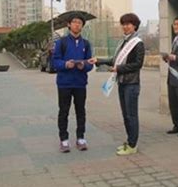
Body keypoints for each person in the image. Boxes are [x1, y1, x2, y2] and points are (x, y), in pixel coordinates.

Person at [88, 13, 145, 156]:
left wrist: (118, 69)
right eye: (123, 24)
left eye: (128, 24)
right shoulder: (123, 42)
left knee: (131, 115)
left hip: (131, 83)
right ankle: (129, 141)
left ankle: (133, 144)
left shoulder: (138, 43)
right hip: (121, 83)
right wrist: (98, 60)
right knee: (125, 114)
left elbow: (138, 64)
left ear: (134, 26)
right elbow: (114, 59)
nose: (125, 27)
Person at [52, 12, 93, 153]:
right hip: (64, 83)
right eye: (74, 22)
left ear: (82, 26)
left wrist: (84, 66)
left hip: (80, 83)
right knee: (63, 111)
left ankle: (80, 138)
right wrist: (65, 65)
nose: (77, 24)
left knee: (80, 111)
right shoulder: (61, 42)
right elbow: (55, 62)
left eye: (79, 22)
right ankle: (64, 140)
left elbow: (90, 63)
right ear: (69, 24)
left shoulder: (86, 44)